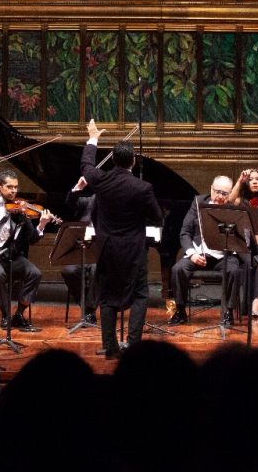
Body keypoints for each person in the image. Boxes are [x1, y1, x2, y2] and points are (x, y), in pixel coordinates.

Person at [82, 120, 163, 358]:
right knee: (139, 293)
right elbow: (157, 218)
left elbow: (86, 164)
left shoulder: (100, 180)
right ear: (133, 161)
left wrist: (93, 138)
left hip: (107, 248)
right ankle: (133, 345)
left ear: (113, 159)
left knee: (107, 296)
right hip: (133, 250)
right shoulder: (142, 188)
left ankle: (110, 347)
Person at [0, 160, 56, 331]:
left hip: (10, 255)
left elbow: (33, 238)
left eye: (15, 187)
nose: (14, 191)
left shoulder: (20, 209)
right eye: (10, 187)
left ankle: (19, 314)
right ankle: (5, 315)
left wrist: (42, 225)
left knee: (34, 273)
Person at [167, 175, 244, 327]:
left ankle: (228, 313)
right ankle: (181, 312)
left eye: (225, 193)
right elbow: (185, 232)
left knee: (234, 270)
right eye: (217, 192)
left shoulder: (232, 209)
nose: (221, 196)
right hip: (198, 255)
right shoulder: (197, 202)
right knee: (178, 269)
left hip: (223, 257)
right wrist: (192, 254)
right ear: (211, 188)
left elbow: (240, 237)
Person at [231, 169, 258, 317]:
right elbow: (229, 201)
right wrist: (240, 181)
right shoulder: (240, 200)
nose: (255, 181)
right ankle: (255, 302)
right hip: (243, 242)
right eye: (251, 179)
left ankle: (257, 301)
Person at [59, 176, 98, 324]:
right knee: (68, 271)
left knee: (97, 270)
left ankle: (90, 309)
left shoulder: (115, 203)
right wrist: (78, 188)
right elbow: (70, 204)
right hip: (82, 250)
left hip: (100, 253)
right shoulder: (92, 199)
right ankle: (86, 304)